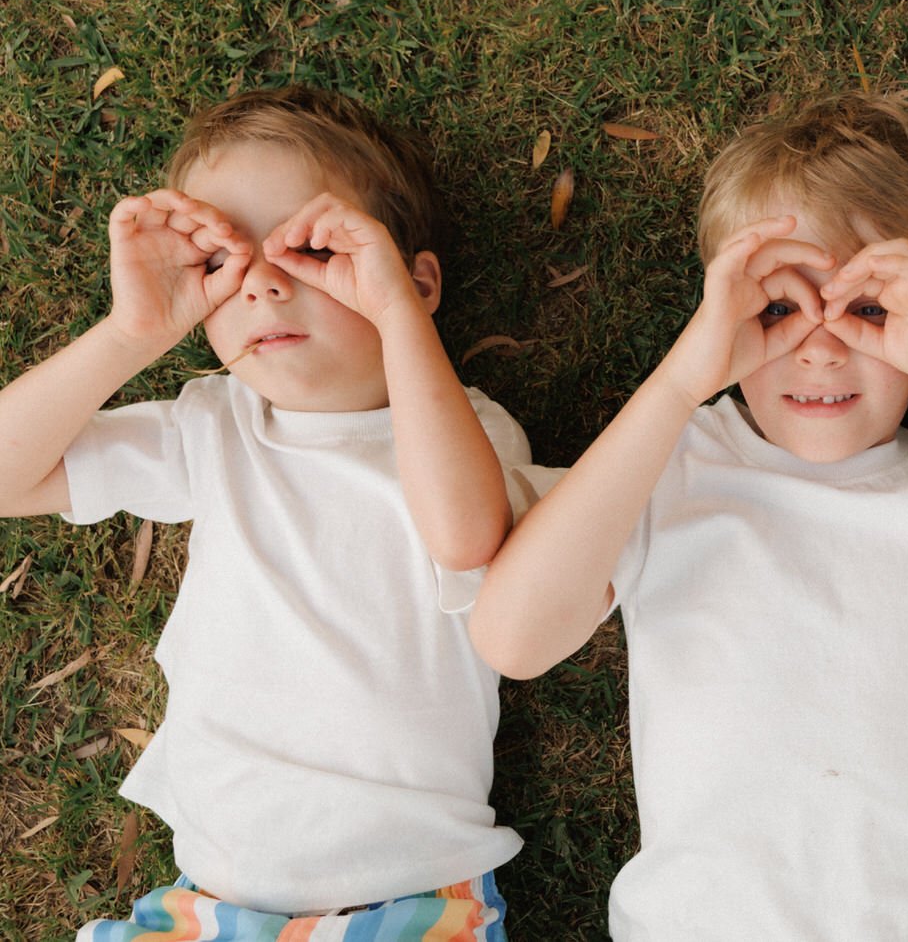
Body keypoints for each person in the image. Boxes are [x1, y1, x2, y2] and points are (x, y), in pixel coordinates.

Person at [470, 92, 908, 940]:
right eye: (777, 306)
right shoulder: (667, 461)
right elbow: (513, 639)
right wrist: (680, 381)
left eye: (869, 307)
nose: (819, 344)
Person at [0, 86, 534, 939]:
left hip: (409, 896)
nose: (264, 285)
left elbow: (470, 539)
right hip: (205, 902)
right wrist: (132, 333)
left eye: (314, 248)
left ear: (417, 280)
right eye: (222, 264)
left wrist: (398, 321)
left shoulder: (466, 431)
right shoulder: (213, 425)